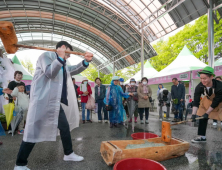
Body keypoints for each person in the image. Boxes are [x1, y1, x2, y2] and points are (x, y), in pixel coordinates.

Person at [14, 41, 93, 170]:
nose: (69, 56)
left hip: (55, 103)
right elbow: (50, 72)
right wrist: (61, 58)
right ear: (62, 48)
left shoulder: (63, 62)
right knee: (32, 130)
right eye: (68, 52)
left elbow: (72, 70)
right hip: (42, 100)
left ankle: (68, 153)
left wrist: (85, 62)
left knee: (64, 127)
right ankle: (20, 164)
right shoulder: (46, 56)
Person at [191, 66, 222, 143]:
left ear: (211, 77)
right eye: (201, 78)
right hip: (208, 100)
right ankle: (202, 137)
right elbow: (196, 100)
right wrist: (193, 114)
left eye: (204, 78)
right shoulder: (200, 86)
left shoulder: (219, 86)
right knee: (202, 116)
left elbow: (216, 101)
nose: (202, 80)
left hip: (219, 102)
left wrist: (207, 113)